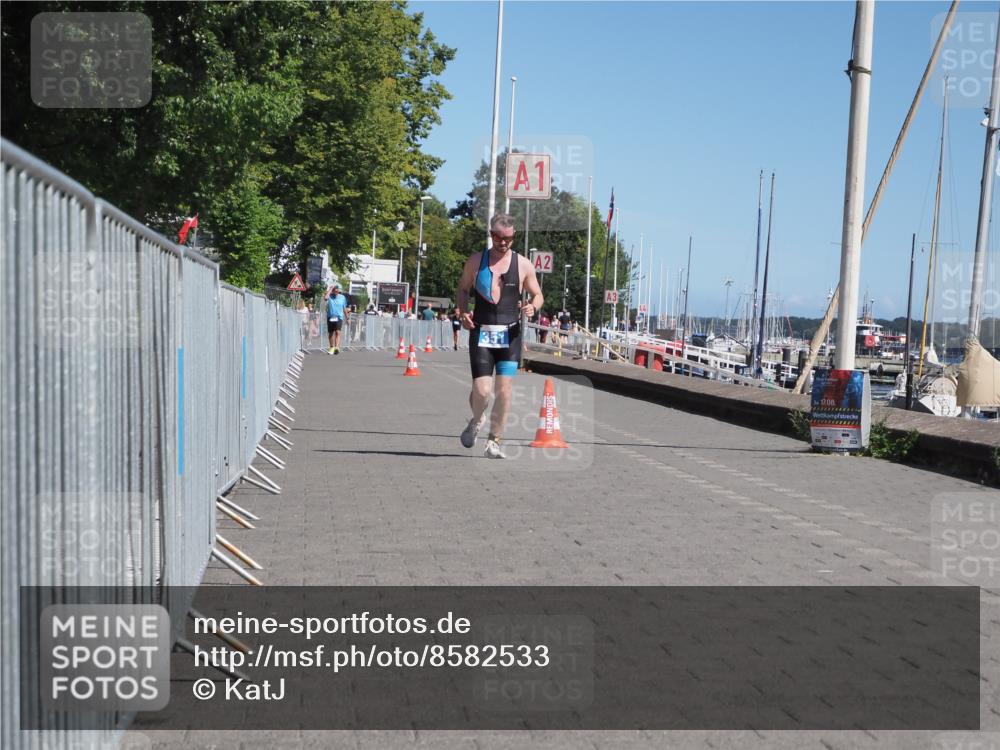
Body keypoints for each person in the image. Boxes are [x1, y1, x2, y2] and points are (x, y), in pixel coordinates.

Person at [455, 214, 543, 459]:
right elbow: (462, 289)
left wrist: (533, 306)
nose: (503, 242)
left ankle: (494, 441)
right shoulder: (476, 261)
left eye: (509, 238)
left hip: (510, 336)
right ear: (491, 235)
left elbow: (538, 294)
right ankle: (476, 419)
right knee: (482, 391)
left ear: (514, 238)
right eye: (498, 237)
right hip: (481, 333)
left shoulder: (523, 264)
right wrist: (462, 313)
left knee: (504, 391)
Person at [326, 284, 348, 355]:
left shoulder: (342, 297)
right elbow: (325, 298)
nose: (336, 292)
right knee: (331, 333)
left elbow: (344, 308)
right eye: (334, 291)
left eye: (337, 291)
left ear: (338, 291)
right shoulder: (330, 296)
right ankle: (331, 347)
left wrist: (347, 318)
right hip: (330, 317)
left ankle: (337, 347)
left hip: (339, 317)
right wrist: (330, 289)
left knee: (338, 332)